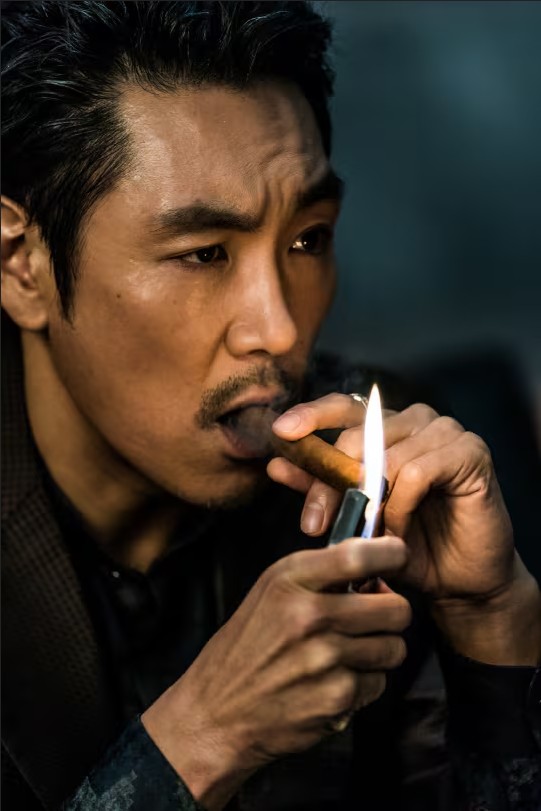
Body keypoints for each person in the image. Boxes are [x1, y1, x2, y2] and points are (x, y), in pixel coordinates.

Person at [1, 2, 540, 810]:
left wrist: (490, 621)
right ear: (21, 264)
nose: (279, 329)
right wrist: (203, 738)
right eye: (204, 253)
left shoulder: (398, 483)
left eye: (306, 239)